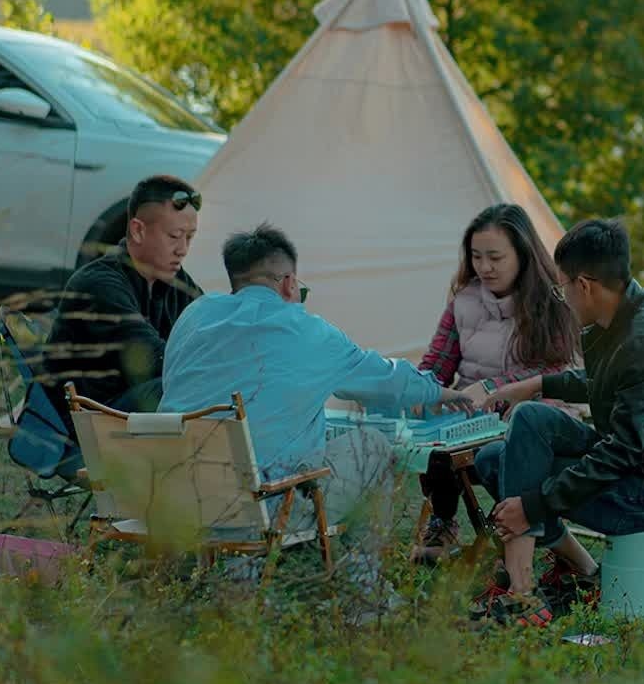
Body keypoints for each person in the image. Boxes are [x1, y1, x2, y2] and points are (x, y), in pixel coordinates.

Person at [467, 218, 644, 627]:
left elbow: (624, 450)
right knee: (495, 456)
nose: (562, 298)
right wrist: (533, 385)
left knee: (516, 459)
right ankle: (582, 571)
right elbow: (611, 382)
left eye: (562, 287)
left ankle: (522, 597)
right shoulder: (627, 311)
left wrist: (532, 505)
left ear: (584, 285)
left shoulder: (643, 337)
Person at [158, 223, 466, 539]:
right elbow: (384, 378)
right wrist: (436, 390)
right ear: (289, 283)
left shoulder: (194, 317)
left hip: (177, 502)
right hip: (261, 511)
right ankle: (363, 582)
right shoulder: (307, 329)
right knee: (372, 444)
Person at [410, 203, 581, 564]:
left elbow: (557, 373)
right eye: (476, 257)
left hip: (530, 414)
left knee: (510, 449)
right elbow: (437, 363)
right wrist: (421, 389)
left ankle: (513, 538)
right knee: (436, 441)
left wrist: (493, 388)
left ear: (522, 254)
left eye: (495, 258)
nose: (484, 268)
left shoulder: (552, 301)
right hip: (471, 415)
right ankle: (444, 526)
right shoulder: (464, 301)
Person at [43, 175, 204, 428]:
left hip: (126, 410)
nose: (182, 249)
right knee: (178, 389)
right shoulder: (97, 285)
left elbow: (211, 329)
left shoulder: (175, 281)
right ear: (138, 230)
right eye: (174, 236)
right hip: (83, 420)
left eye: (190, 237)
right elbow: (156, 361)